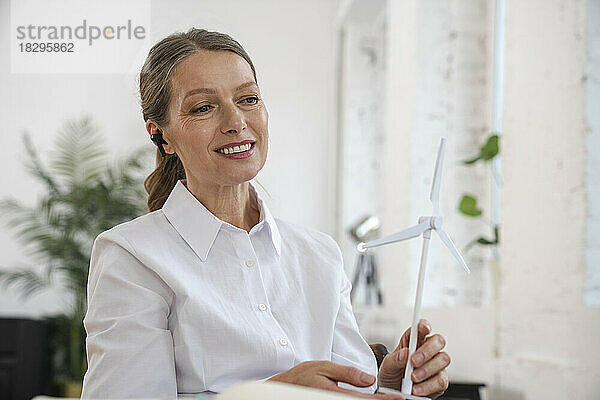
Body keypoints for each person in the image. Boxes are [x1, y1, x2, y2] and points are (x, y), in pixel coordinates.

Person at [81, 28, 450, 399]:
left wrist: (389, 384)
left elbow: (350, 391)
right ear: (162, 135)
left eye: (248, 99)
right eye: (203, 108)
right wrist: (273, 392)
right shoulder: (131, 255)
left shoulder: (319, 254)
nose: (235, 121)